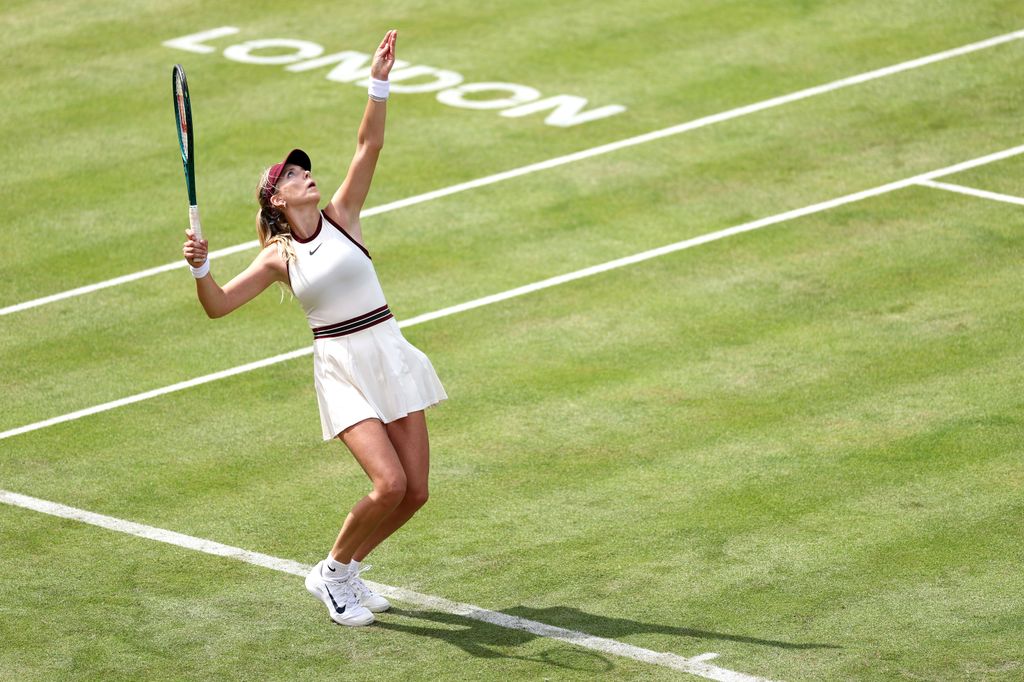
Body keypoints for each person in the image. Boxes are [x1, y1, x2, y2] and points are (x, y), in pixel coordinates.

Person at [181, 29, 446, 627]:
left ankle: (349, 571)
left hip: (388, 348)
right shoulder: (280, 257)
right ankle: (331, 572)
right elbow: (218, 305)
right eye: (293, 175)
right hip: (342, 368)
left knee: (417, 492)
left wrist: (378, 82)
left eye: (306, 171)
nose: (307, 175)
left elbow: (367, 148)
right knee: (387, 485)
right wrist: (202, 268)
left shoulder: (342, 216)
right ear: (276, 199)